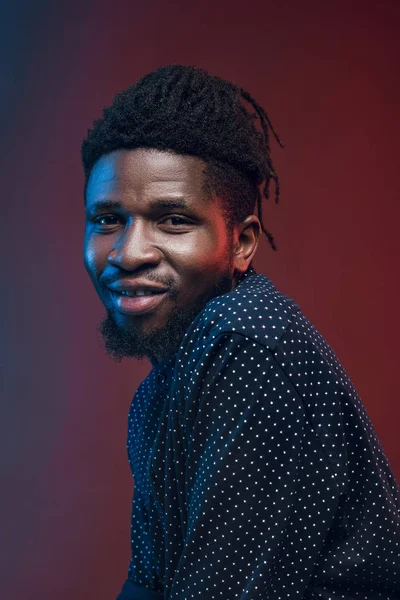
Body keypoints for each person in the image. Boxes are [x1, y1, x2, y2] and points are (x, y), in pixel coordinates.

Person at [81, 65, 400, 600]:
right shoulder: (163, 389)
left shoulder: (248, 345)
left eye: (174, 220)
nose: (128, 253)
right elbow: (148, 585)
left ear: (243, 243)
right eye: (108, 220)